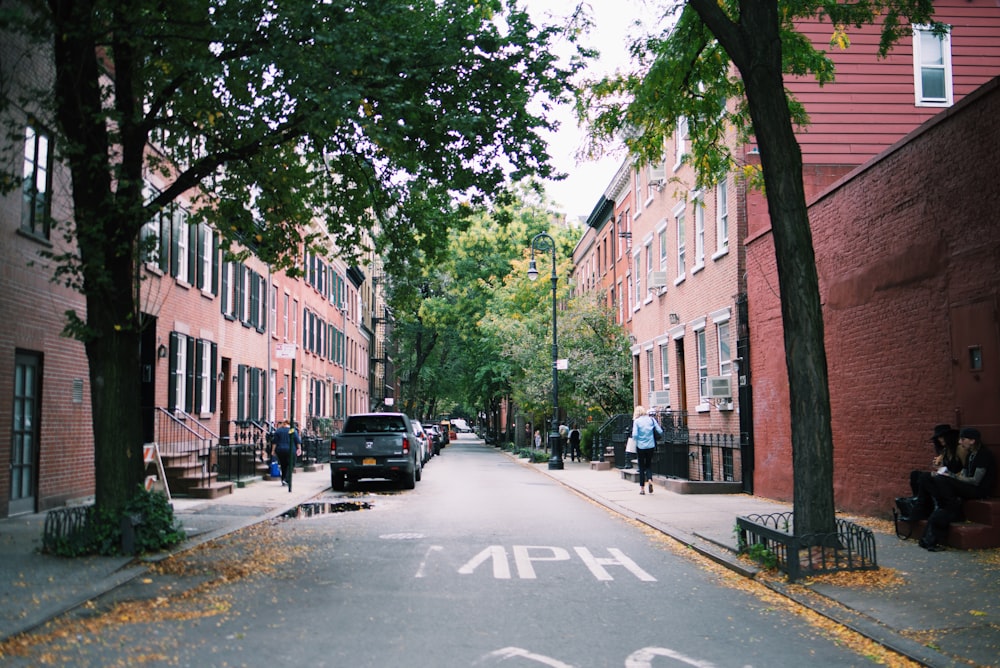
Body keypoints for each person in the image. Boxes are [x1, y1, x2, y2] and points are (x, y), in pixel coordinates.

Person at [919, 427, 997, 551]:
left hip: (979, 491)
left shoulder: (984, 455)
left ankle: (949, 504)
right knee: (928, 478)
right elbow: (964, 475)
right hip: (967, 487)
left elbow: (975, 481)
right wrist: (947, 474)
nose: (960, 442)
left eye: (963, 439)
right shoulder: (971, 454)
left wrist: (952, 477)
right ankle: (943, 504)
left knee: (943, 486)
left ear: (972, 441)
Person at [904, 424, 963, 520]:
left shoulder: (959, 450)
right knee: (916, 475)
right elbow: (945, 469)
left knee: (925, 477)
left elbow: (965, 469)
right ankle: (920, 504)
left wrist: (948, 474)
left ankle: (925, 506)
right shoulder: (945, 451)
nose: (940, 440)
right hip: (945, 479)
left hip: (956, 480)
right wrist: (939, 468)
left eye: (942, 437)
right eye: (939, 438)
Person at [631, 406, 662, 495]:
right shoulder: (651, 419)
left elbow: (635, 435)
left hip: (640, 447)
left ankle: (642, 489)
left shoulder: (636, 421)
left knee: (641, 467)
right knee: (648, 465)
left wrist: (636, 439)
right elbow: (660, 431)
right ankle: (649, 479)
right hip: (651, 446)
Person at [269, 419, 303, 486]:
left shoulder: (278, 430)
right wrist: (299, 448)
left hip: (280, 450)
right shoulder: (292, 430)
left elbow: (274, 442)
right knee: (290, 464)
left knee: (283, 465)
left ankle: (283, 479)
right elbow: (297, 441)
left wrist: (273, 451)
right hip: (290, 450)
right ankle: (286, 479)